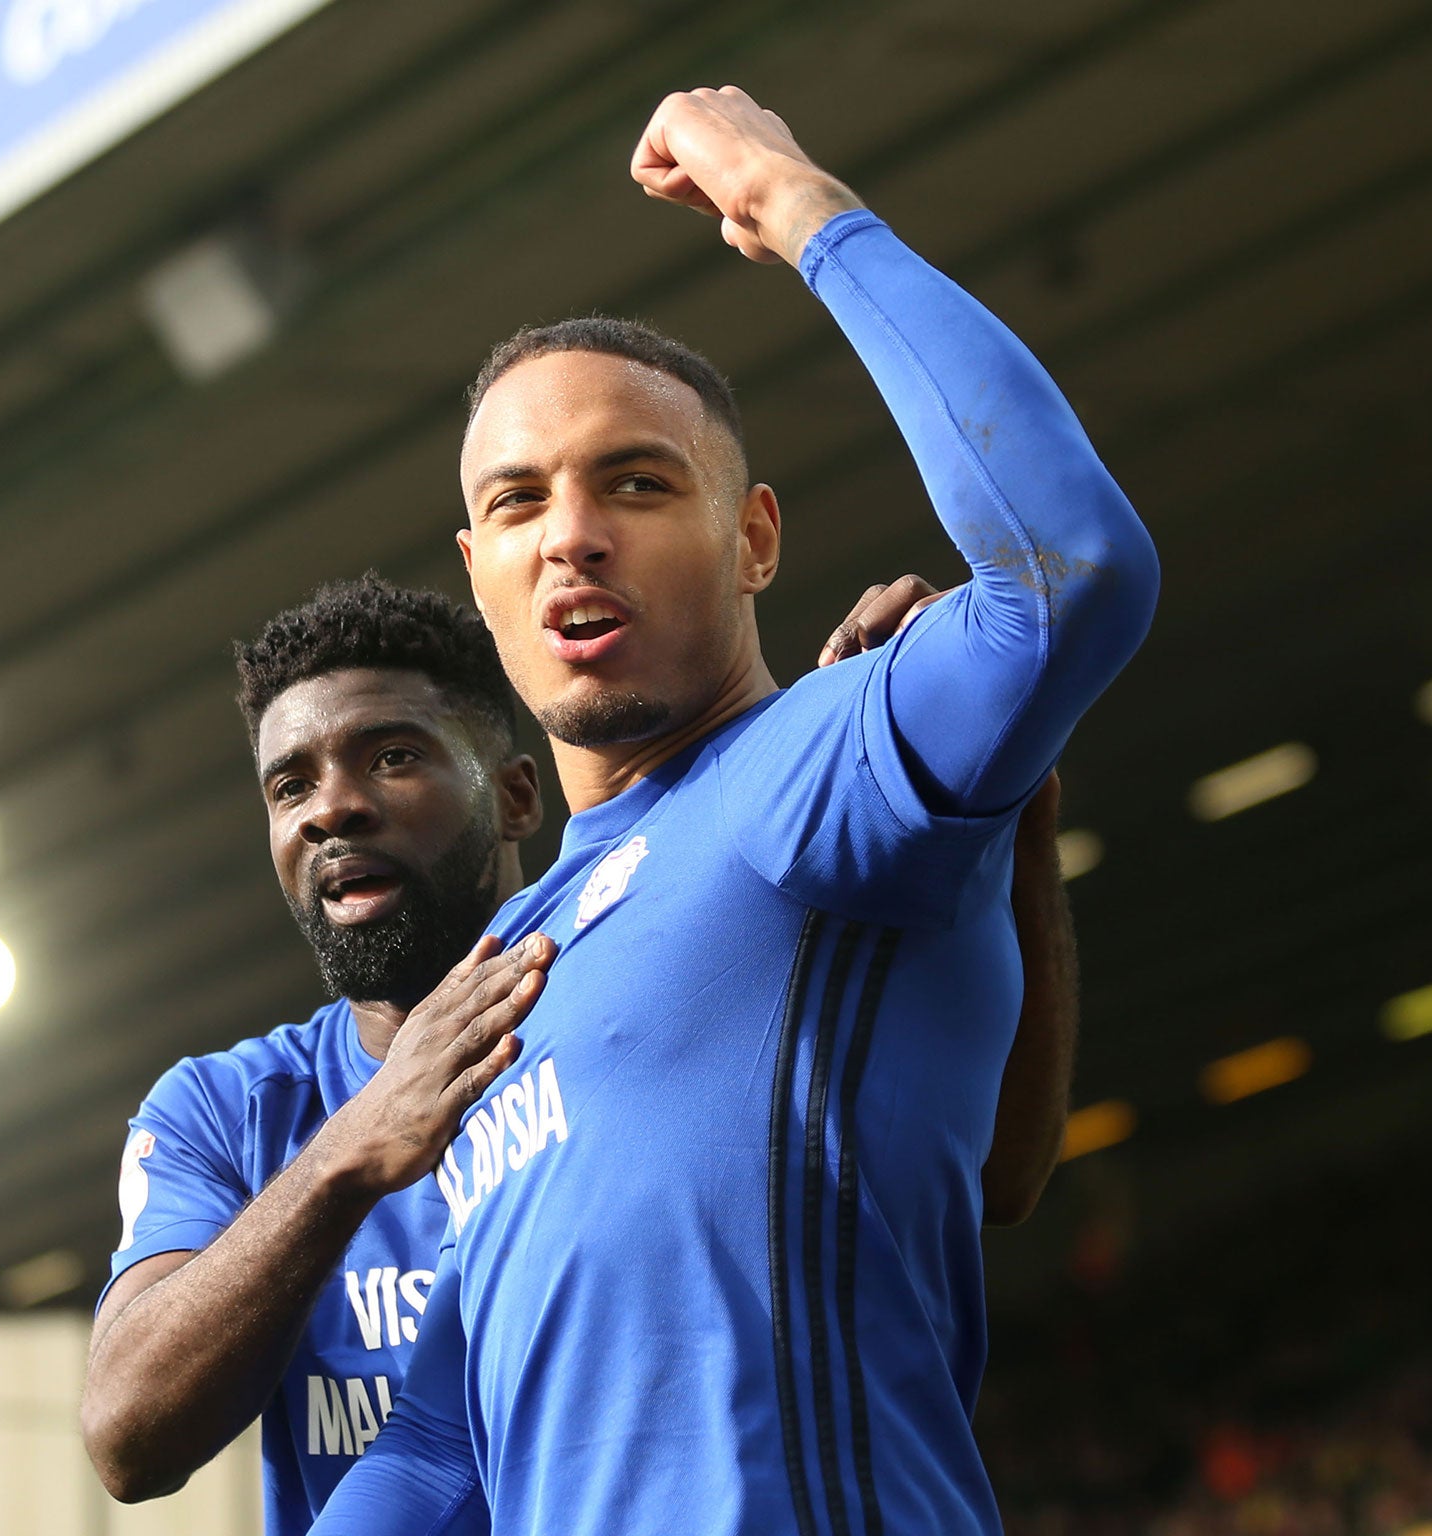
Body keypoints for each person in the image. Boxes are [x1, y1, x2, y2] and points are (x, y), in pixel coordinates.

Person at [309, 86, 1158, 1536]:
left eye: (633, 484)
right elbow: (449, 1431)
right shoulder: (500, 968)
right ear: (478, 573)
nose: (569, 531)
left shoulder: (826, 761)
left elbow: (1074, 567)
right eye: (517, 505)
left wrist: (794, 204)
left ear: (754, 537)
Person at [80, 574, 1079, 1531]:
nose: (329, 807)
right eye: (288, 784)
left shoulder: (659, 988)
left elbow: (999, 1172)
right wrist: (353, 1150)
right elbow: (128, 1438)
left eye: (390, 757)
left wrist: (1002, 808)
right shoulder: (226, 1109)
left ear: (517, 797)